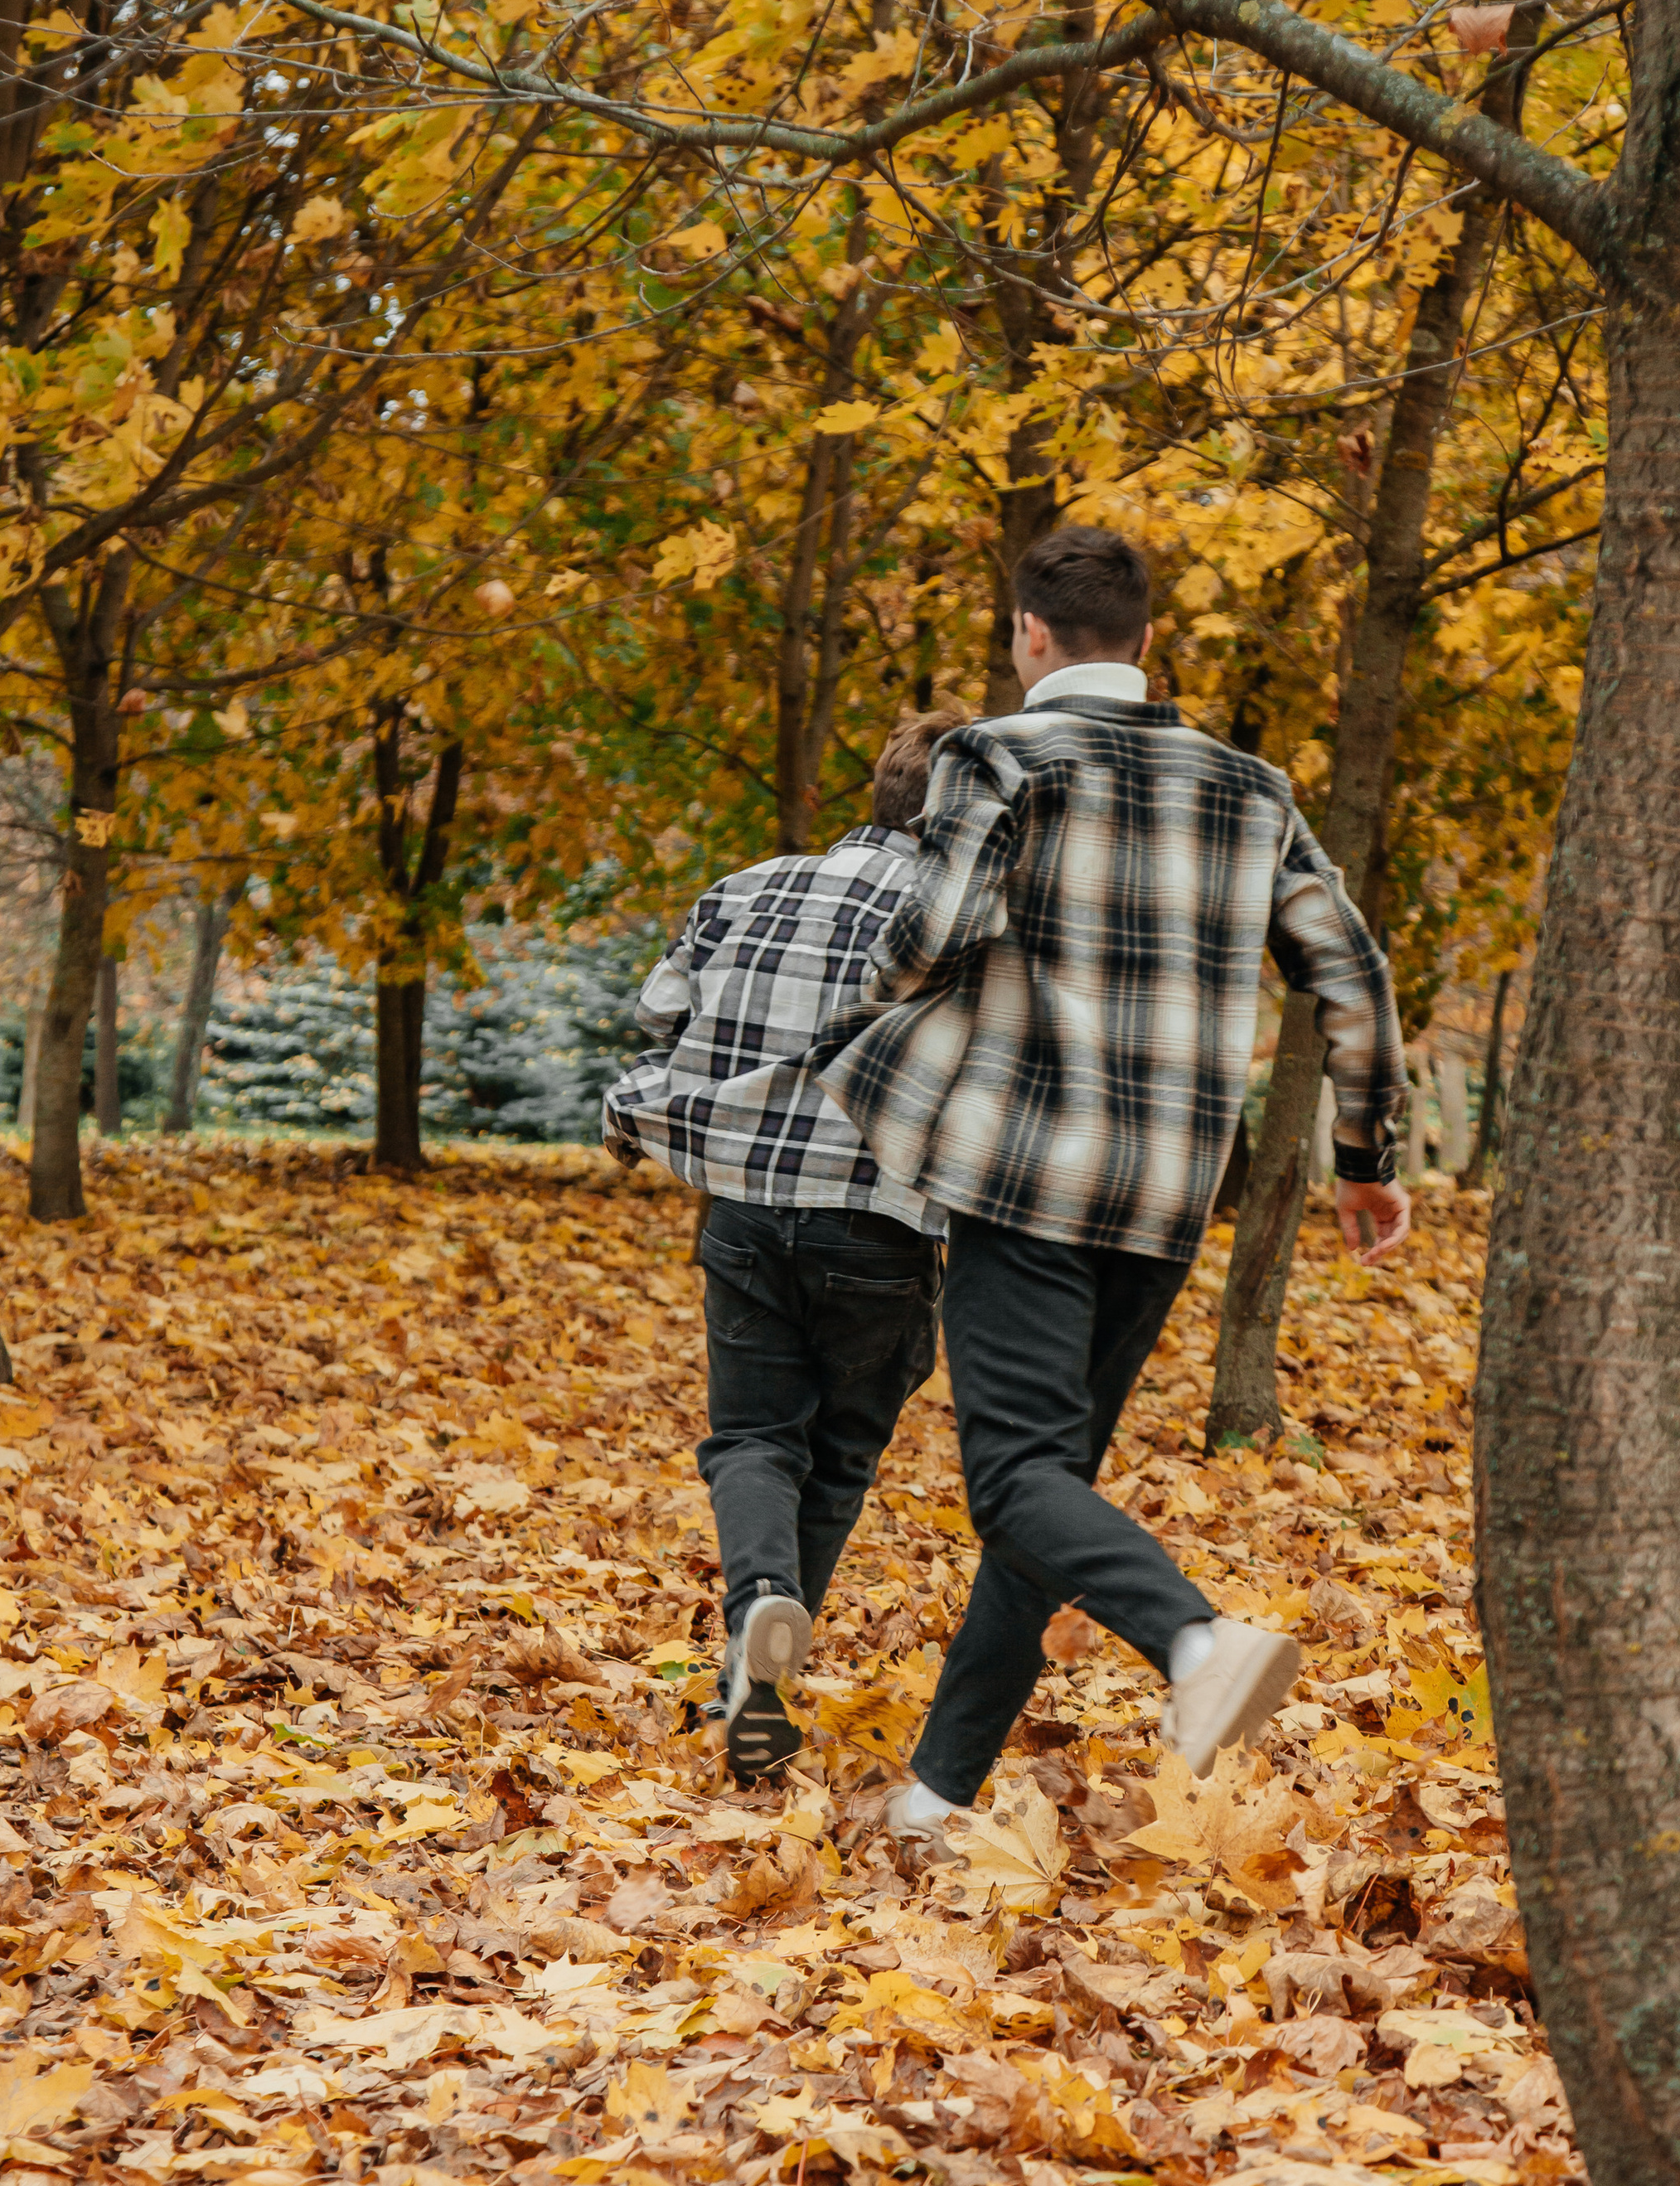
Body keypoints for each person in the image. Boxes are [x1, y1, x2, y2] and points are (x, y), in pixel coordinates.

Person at [809, 525, 1410, 1845]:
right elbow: (1349, 979)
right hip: (1166, 1200)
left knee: (1017, 1477)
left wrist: (872, 1006)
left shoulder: (998, 757)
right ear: (1147, 643)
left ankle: (1196, 1644)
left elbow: (930, 936)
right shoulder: (1254, 791)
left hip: (1027, 1176)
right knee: (1052, 1490)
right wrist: (1362, 1164)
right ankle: (938, 1794)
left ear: (1029, 634)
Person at [603, 712, 957, 1783]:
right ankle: (757, 1668)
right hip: (883, 1226)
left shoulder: (747, 887)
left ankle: (758, 1618)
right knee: (841, 1453)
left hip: (747, 1212)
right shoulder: (969, 920)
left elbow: (665, 1015)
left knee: (755, 1438)